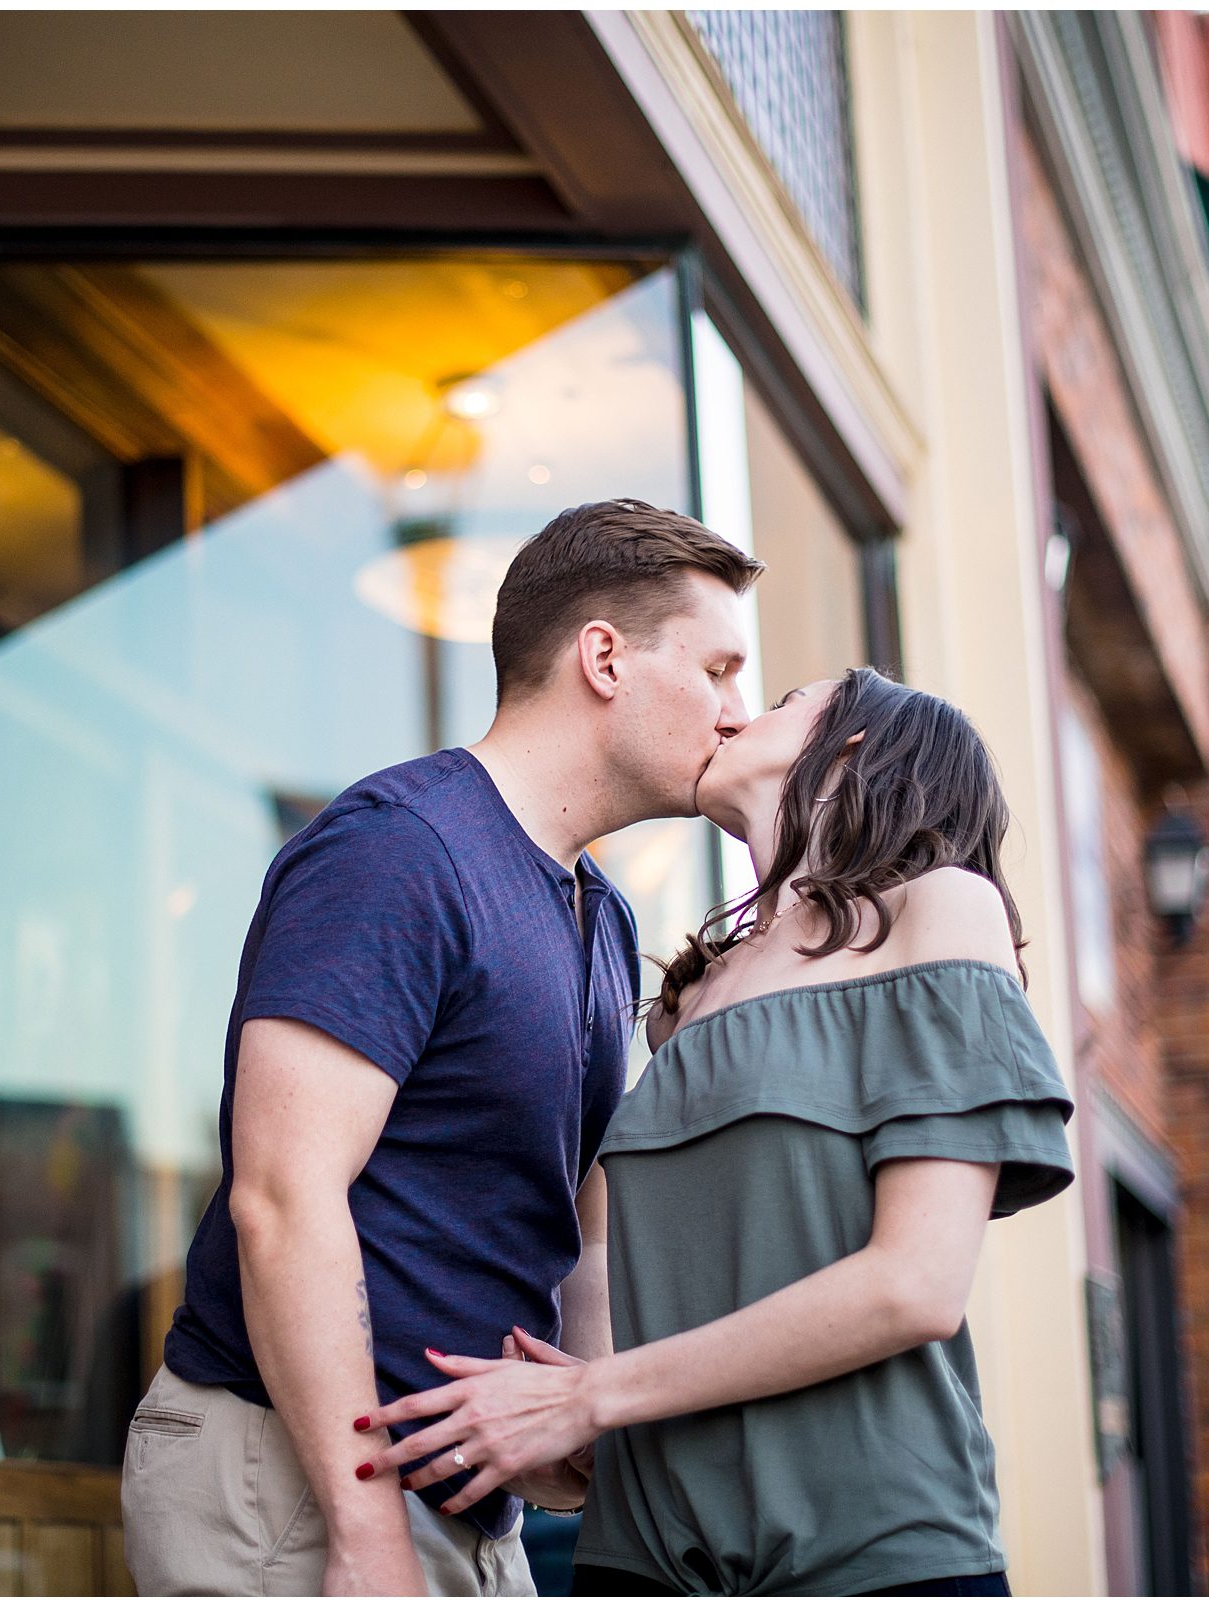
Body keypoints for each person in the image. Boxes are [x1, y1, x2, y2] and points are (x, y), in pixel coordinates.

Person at [119, 499, 765, 1596]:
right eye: (716, 670)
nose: (738, 713)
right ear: (603, 657)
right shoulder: (398, 852)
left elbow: (582, 1232)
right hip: (297, 1491)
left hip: (468, 1516)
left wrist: (581, 1416)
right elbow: (283, 1196)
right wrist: (364, 1529)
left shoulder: (598, 916)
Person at [364, 668, 1078, 1596]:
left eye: (783, 703)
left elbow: (916, 1286)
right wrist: (574, 1427)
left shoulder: (940, 910)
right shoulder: (682, 1005)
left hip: (872, 1546)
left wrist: (589, 1398)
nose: (739, 711)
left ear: (855, 745)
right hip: (647, 1555)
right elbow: (619, 1261)